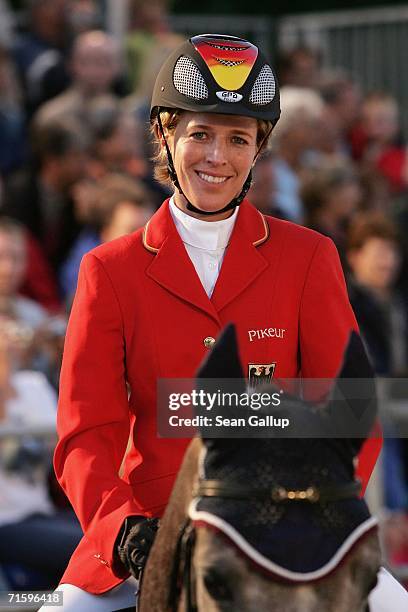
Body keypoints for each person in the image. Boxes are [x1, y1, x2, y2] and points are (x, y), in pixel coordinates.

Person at [50, 34, 385, 611]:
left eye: (238, 139)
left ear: (259, 150)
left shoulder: (309, 257)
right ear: (164, 136)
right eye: (199, 134)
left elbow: (351, 411)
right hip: (146, 533)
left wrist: (312, 507)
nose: (216, 157)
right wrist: (122, 531)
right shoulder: (108, 269)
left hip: (290, 524)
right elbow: (86, 435)